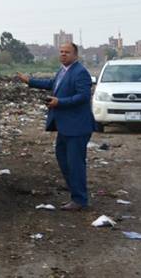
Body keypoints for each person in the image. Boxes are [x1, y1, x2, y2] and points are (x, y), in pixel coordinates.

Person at [16, 43, 95, 211]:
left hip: (77, 127)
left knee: (75, 163)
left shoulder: (80, 72)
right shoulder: (63, 71)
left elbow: (83, 96)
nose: (63, 54)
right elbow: (51, 83)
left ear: (76, 55)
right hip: (65, 126)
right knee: (62, 158)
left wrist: (60, 102)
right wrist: (30, 81)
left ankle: (79, 199)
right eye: (61, 52)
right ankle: (75, 189)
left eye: (67, 52)